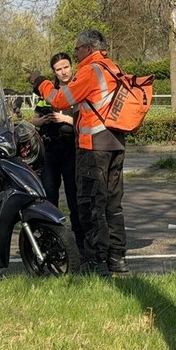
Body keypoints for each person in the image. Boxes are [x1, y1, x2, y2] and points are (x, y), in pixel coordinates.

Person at [29, 29, 128, 277]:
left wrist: (41, 82)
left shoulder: (90, 70)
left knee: (91, 205)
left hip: (93, 147)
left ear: (88, 48)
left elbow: (61, 100)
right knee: (113, 206)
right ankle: (117, 260)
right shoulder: (114, 68)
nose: (76, 53)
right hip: (116, 142)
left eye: (77, 49)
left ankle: (95, 262)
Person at [31, 52, 85, 254]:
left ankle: (80, 243)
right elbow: (34, 119)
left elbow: (85, 121)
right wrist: (43, 121)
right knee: (49, 199)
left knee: (74, 199)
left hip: (72, 150)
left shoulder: (79, 90)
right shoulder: (49, 92)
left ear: (72, 67)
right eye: (58, 69)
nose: (63, 72)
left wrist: (65, 120)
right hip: (50, 151)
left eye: (66, 67)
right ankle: (50, 242)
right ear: (53, 72)